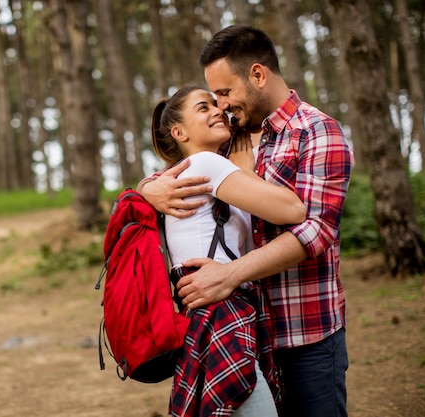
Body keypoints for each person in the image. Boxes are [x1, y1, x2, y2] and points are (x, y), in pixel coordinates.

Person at [139, 25, 354, 417]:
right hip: (247, 331)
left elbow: (316, 231)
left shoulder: (318, 132)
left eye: (223, 92)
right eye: (213, 98)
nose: (221, 105)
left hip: (304, 332)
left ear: (257, 75)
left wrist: (231, 274)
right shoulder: (228, 135)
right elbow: (181, 168)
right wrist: (145, 189)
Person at [150, 85, 306, 417]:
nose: (217, 110)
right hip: (223, 311)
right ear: (178, 132)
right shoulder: (205, 163)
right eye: (202, 108)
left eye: (215, 104)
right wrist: (245, 168)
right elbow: (293, 211)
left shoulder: (182, 174)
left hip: (212, 310)